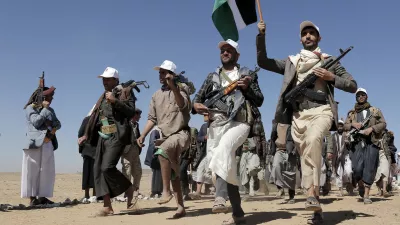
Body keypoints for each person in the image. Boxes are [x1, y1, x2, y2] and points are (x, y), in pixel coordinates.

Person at [256, 20, 357, 223]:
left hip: (322, 111)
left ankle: (311, 193)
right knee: (306, 158)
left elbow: (352, 85)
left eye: (312, 33)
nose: (308, 36)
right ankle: (316, 210)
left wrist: (330, 77)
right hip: (298, 116)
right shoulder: (292, 62)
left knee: (313, 141)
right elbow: (263, 62)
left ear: (319, 38)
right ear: (300, 39)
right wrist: (261, 36)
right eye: (305, 34)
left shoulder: (330, 60)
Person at [193, 39, 264, 225]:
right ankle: (238, 213)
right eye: (223, 50)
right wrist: (197, 106)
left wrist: (247, 88)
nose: (225, 53)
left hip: (240, 123)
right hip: (216, 125)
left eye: (229, 50)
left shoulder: (246, 74)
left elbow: (260, 99)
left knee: (224, 149)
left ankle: (219, 197)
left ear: (237, 55)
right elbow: (197, 100)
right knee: (224, 167)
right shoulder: (212, 77)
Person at [78, 67, 136, 216]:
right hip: (103, 135)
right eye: (104, 79)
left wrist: (115, 101)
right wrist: (86, 134)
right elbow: (95, 117)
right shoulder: (102, 97)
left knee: (107, 167)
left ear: (116, 80)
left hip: (117, 135)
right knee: (98, 169)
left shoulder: (125, 91)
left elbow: (130, 112)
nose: (105, 81)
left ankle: (129, 189)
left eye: (108, 79)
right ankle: (107, 206)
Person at [137, 60, 191, 219]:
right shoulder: (156, 95)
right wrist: (142, 135)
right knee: (174, 171)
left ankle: (165, 191)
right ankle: (181, 207)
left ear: (173, 75)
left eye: (165, 72)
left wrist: (174, 86)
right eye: (160, 72)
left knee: (163, 151)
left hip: (181, 134)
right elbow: (152, 119)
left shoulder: (183, 89)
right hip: (165, 136)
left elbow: (183, 106)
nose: (161, 75)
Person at [344, 88, 386, 204]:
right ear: (356, 98)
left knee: (370, 167)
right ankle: (360, 184)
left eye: (363, 95)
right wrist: (353, 124)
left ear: (366, 96)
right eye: (358, 95)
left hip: (372, 142)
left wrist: (372, 129)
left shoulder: (375, 111)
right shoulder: (351, 113)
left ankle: (367, 194)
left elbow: (383, 123)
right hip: (357, 143)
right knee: (357, 169)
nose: (360, 97)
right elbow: (344, 126)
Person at [22, 85, 61, 206]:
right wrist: (44, 109)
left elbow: (58, 124)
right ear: (42, 97)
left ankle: (43, 197)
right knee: (32, 171)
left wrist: (51, 133)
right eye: (50, 96)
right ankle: (32, 198)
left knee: (46, 171)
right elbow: (36, 122)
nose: (52, 99)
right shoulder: (30, 108)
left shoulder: (51, 110)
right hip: (34, 143)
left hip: (48, 142)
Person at [270, 123, 297, 203]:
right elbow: (272, 139)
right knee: (276, 166)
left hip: (291, 151)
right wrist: (271, 153)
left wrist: (295, 149)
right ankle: (280, 188)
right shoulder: (275, 125)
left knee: (291, 173)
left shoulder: (293, 123)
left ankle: (291, 196)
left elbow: (298, 137)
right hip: (279, 150)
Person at [121, 108, 143, 203]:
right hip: (127, 151)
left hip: (135, 151)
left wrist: (140, 143)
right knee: (127, 172)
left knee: (138, 171)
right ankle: (127, 192)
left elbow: (138, 136)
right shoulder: (126, 123)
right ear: (135, 115)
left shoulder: (136, 125)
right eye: (139, 115)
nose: (140, 117)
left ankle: (135, 190)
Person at [78, 105, 97, 201]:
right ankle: (94, 194)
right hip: (96, 149)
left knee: (87, 172)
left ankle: (86, 195)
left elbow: (80, 133)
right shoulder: (102, 119)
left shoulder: (86, 119)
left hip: (87, 149)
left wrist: (81, 147)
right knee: (95, 172)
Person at [332, 119, 353, 196]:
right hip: (336, 157)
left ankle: (349, 186)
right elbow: (331, 147)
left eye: (341, 126)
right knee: (338, 174)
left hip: (346, 156)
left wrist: (348, 142)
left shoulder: (347, 135)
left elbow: (351, 145)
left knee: (348, 172)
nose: (340, 127)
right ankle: (341, 191)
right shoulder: (333, 136)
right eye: (338, 126)